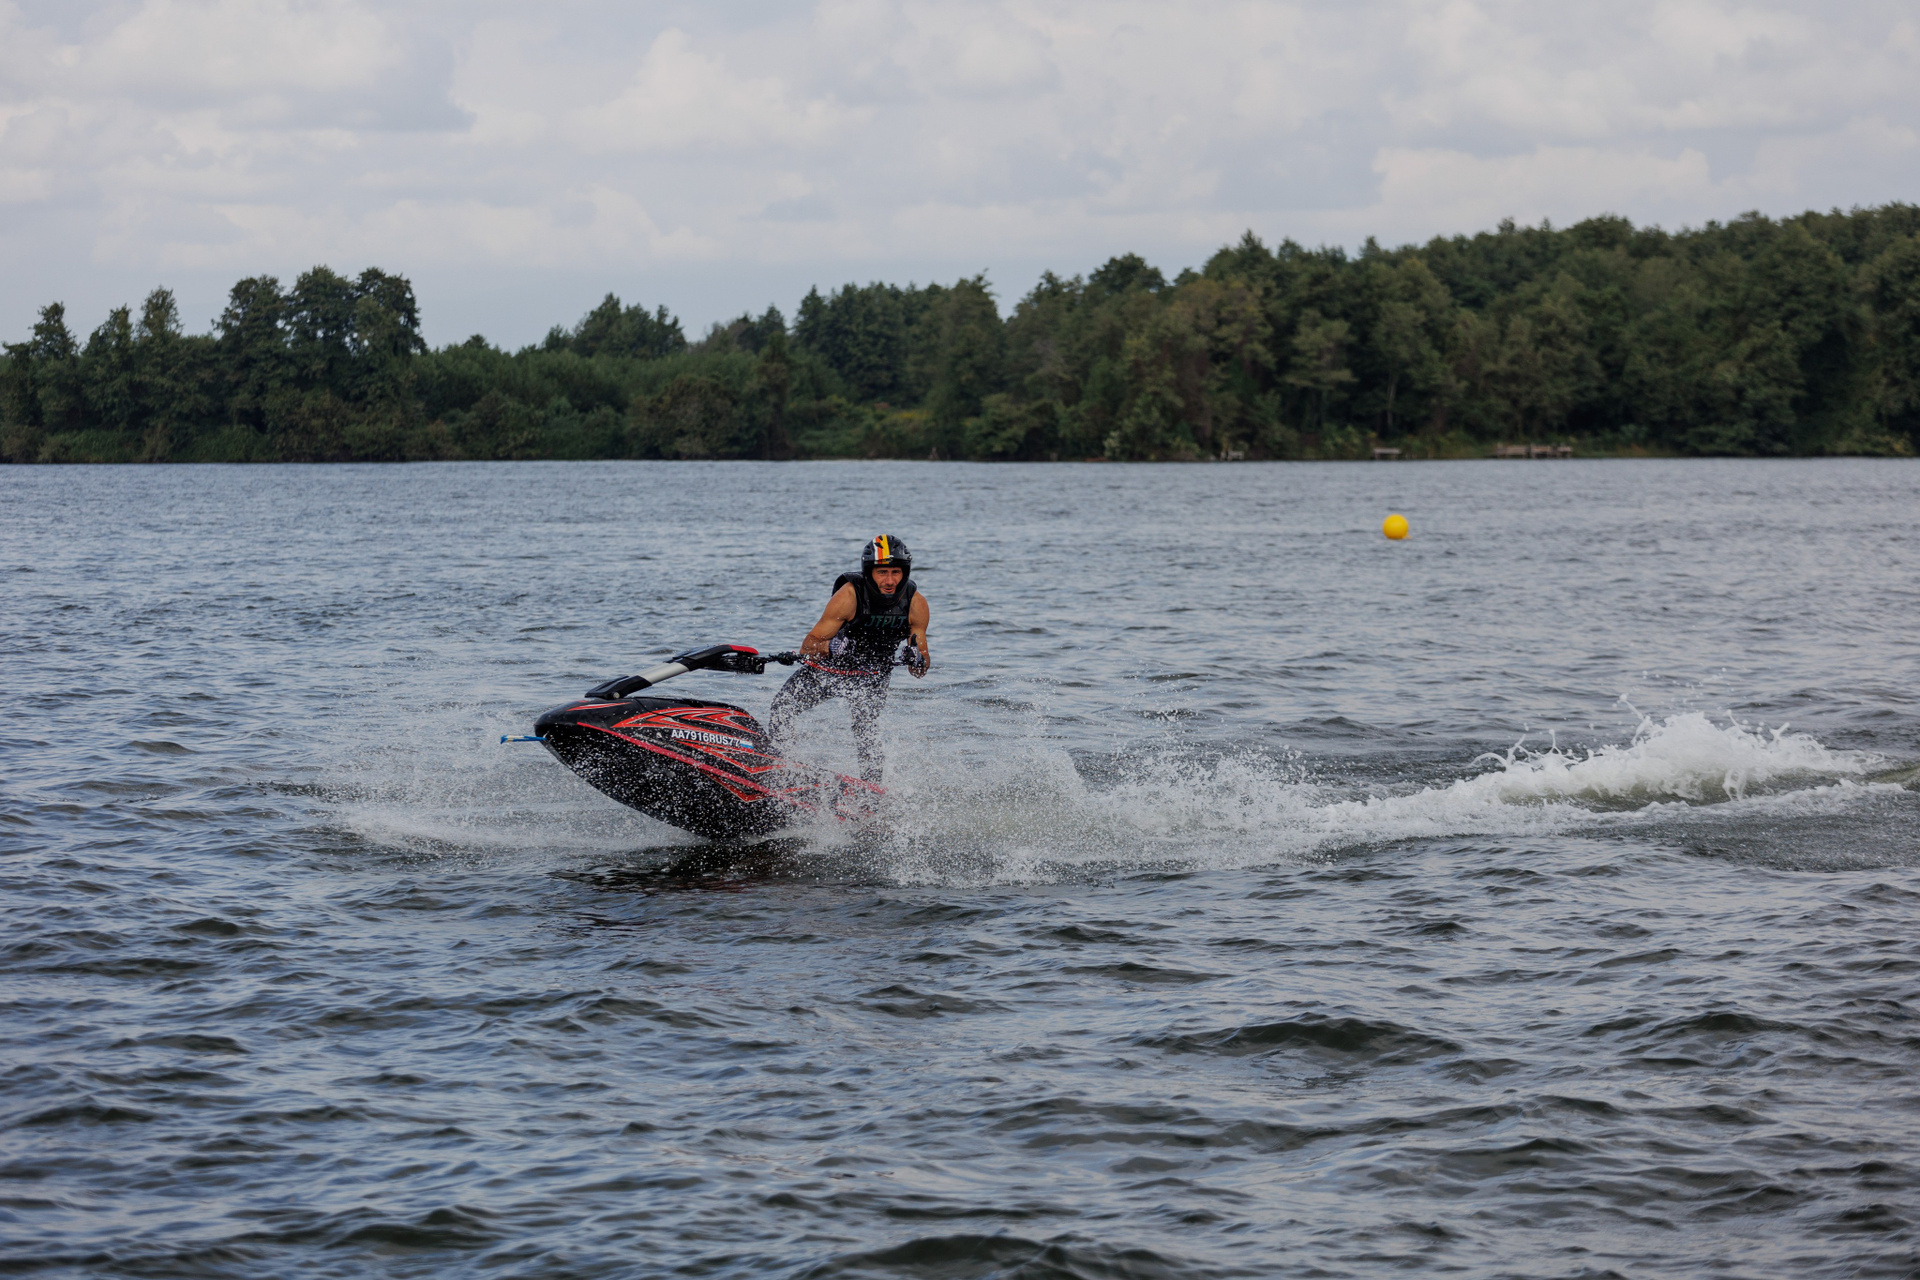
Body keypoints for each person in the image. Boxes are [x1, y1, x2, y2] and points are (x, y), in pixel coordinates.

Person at [766, 534, 930, 784]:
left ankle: (872, 791)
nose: (889, 581)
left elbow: (921, 671)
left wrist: (916, 659)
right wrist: (830, 646)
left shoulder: (916, 604)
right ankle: (782, 770)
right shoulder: (849, 596)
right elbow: (808, 646)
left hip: (871, 676)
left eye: (896, 572)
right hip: (829, 670)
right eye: (882, 572)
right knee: (782, 708)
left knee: (866, 730)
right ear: (869, 572)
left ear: (905, 572)